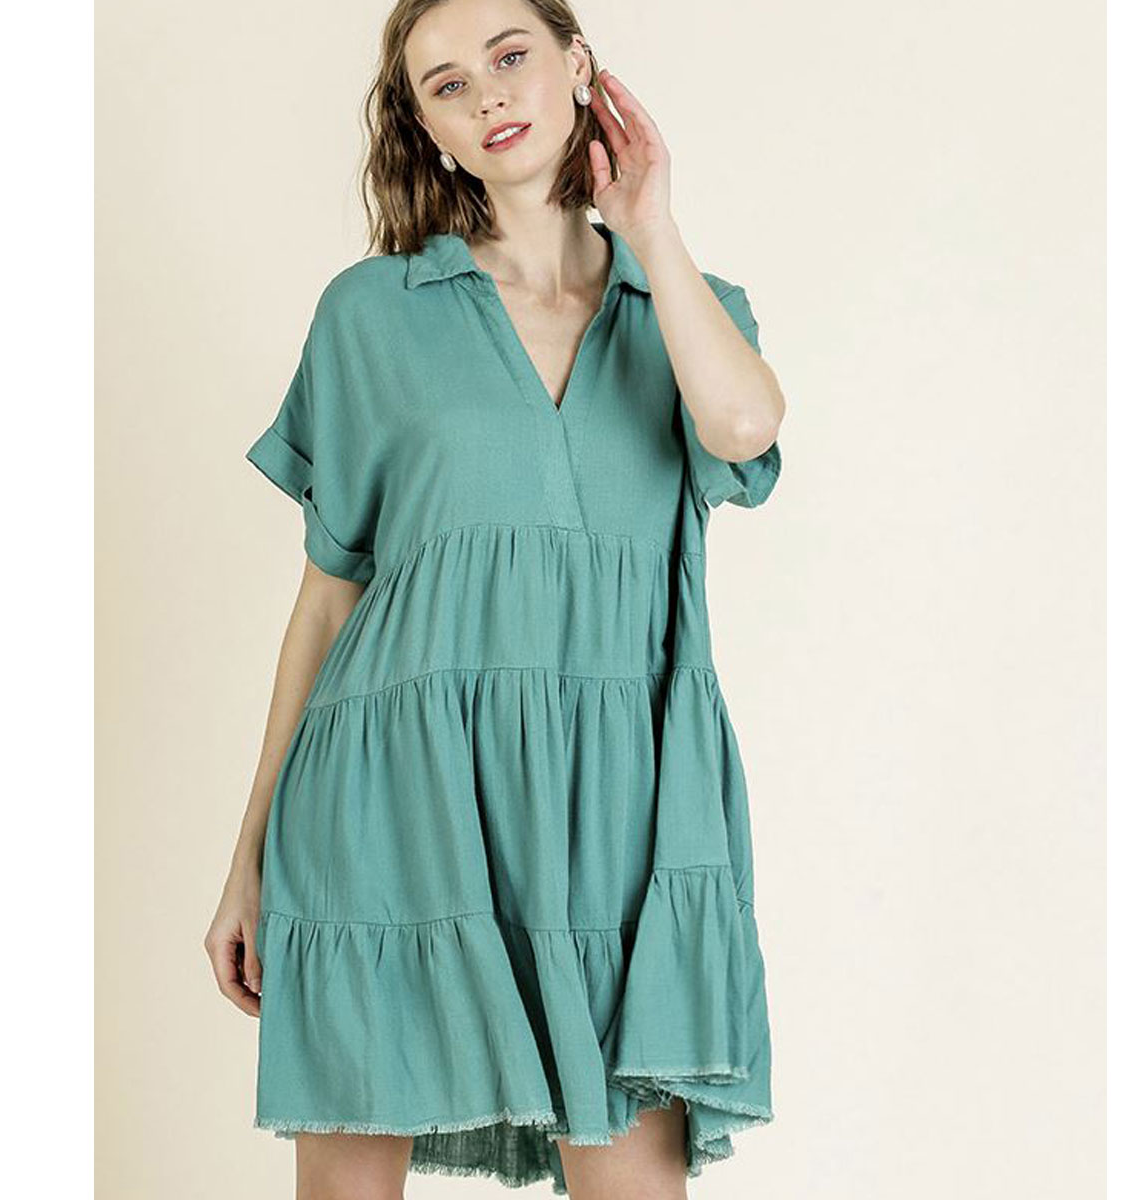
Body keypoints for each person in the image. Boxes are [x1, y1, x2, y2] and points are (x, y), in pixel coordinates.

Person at [204, 0, 786, 1195]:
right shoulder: (372, 314)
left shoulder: (683, 304)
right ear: (425, 127)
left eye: (511, 57)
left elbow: (742, 428)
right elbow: (327, 602)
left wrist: (650, 225)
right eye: (448, 85)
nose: (490, 96)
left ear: (577, 65)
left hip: (619, 810)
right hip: (389, 797)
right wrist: (249, 855)